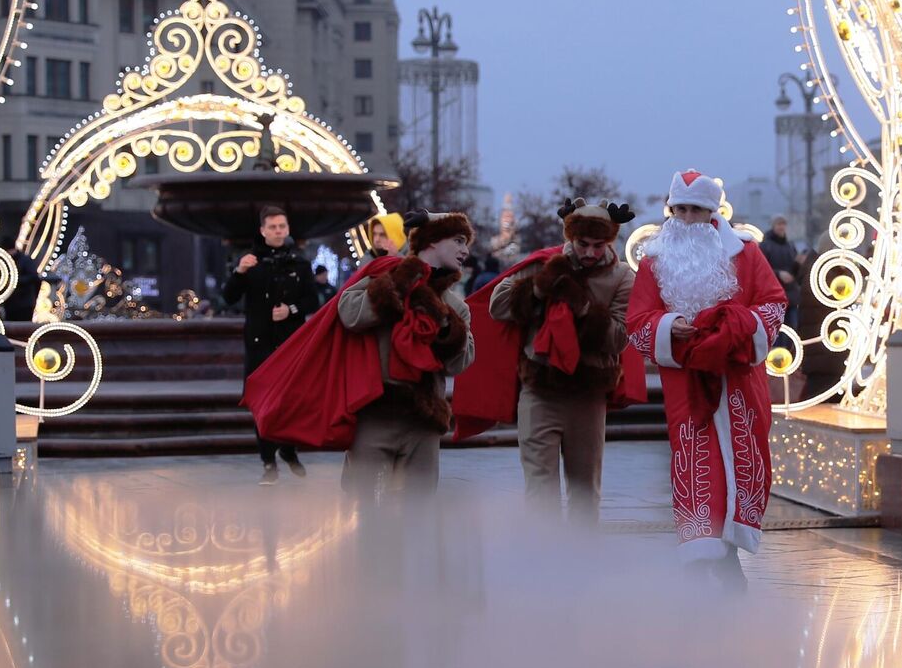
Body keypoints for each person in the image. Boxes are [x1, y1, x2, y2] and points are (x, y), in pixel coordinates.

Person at [626, 171, 787, 585]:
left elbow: (772, 302)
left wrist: (737, 326)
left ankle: (729, 546)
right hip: (687, 377)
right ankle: (700, 552)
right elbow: (639, 319)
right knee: (697, 461)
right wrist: (668, 325)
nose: (686, 217)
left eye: (695, 209)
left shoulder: (746, 253)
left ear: (712, 211)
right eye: (679, 209)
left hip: (738, 377)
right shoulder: (655, 258)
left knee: (741, 458)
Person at [461, 198, 641, 524]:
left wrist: (583, 308)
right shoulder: (545, 263)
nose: (589, 252)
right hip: (540, 390)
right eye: (582, 244)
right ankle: (542, 560)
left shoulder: (622, 277)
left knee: (585, 490)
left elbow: (619, 338)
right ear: (570, 237)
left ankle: (580, 561)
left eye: (598, 245)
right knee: (539, 487)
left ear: (610, 241)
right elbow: (497, 307)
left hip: (588, 394)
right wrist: (538, 289)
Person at [334, 212, 476, 498]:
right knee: (364, 509)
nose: (466, 250)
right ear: (433, 241)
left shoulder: (455, 307)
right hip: (374, 414)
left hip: (423, 423)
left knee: (418, 513)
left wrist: (448, 328)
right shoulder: (386, 275)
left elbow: (461, 363)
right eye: (458, 241)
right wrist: (397, 287)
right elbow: (348, 312)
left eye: (466, 243)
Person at [223, 206, 320, 484]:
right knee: (262, 404)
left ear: (288, 229)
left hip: (290, 344)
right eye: (273, 227)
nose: (278, 231)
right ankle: (268, 462)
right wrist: (239, 272)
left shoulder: (299, 263)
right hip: (259, 344)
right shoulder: (251, 262)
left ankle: (288, 450)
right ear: (263, 231)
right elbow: (228, 297)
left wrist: (290, 309)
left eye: (282, 226)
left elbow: (312, 301)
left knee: (291, 401)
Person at [760, 215, 802, 334]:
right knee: (776, 332)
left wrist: (798, 264)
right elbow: (762, 270)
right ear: (773, 226)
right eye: (779, 224)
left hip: (792, 297)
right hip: (774, 297)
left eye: (783, 224)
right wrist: (778, 274)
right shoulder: (765, 246)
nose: (781, 227)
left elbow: (795, 272)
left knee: (792, 332)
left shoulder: (790, 246)